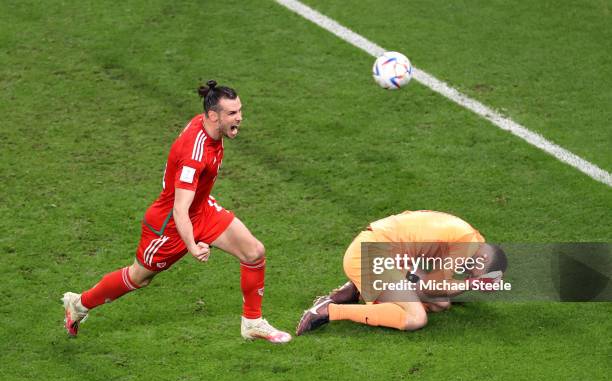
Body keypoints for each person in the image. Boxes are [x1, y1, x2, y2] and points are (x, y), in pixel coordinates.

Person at [63, 80, 292, 343]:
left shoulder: (205, 124)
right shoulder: (194, 157)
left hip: (201, 207)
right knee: (140, 277)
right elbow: (179, 209)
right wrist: (193, 246)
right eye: (232, 113)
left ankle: (252, 323)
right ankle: (79, 304)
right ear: (213, 115)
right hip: (169, 224)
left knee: (254, 252)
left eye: (239, 111)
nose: (239, 118)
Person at [296, 210, 507, 335]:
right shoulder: (468, 243)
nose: (470, 275)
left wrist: (470, 285)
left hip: (379, 252)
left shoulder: (470, 237)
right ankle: (329, 311)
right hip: (370, 255)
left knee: (441, 303)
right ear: (484, 258)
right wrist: (472, 285)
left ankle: (356, 290)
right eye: (477, 273)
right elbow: (431, 287)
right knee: (416, 318)